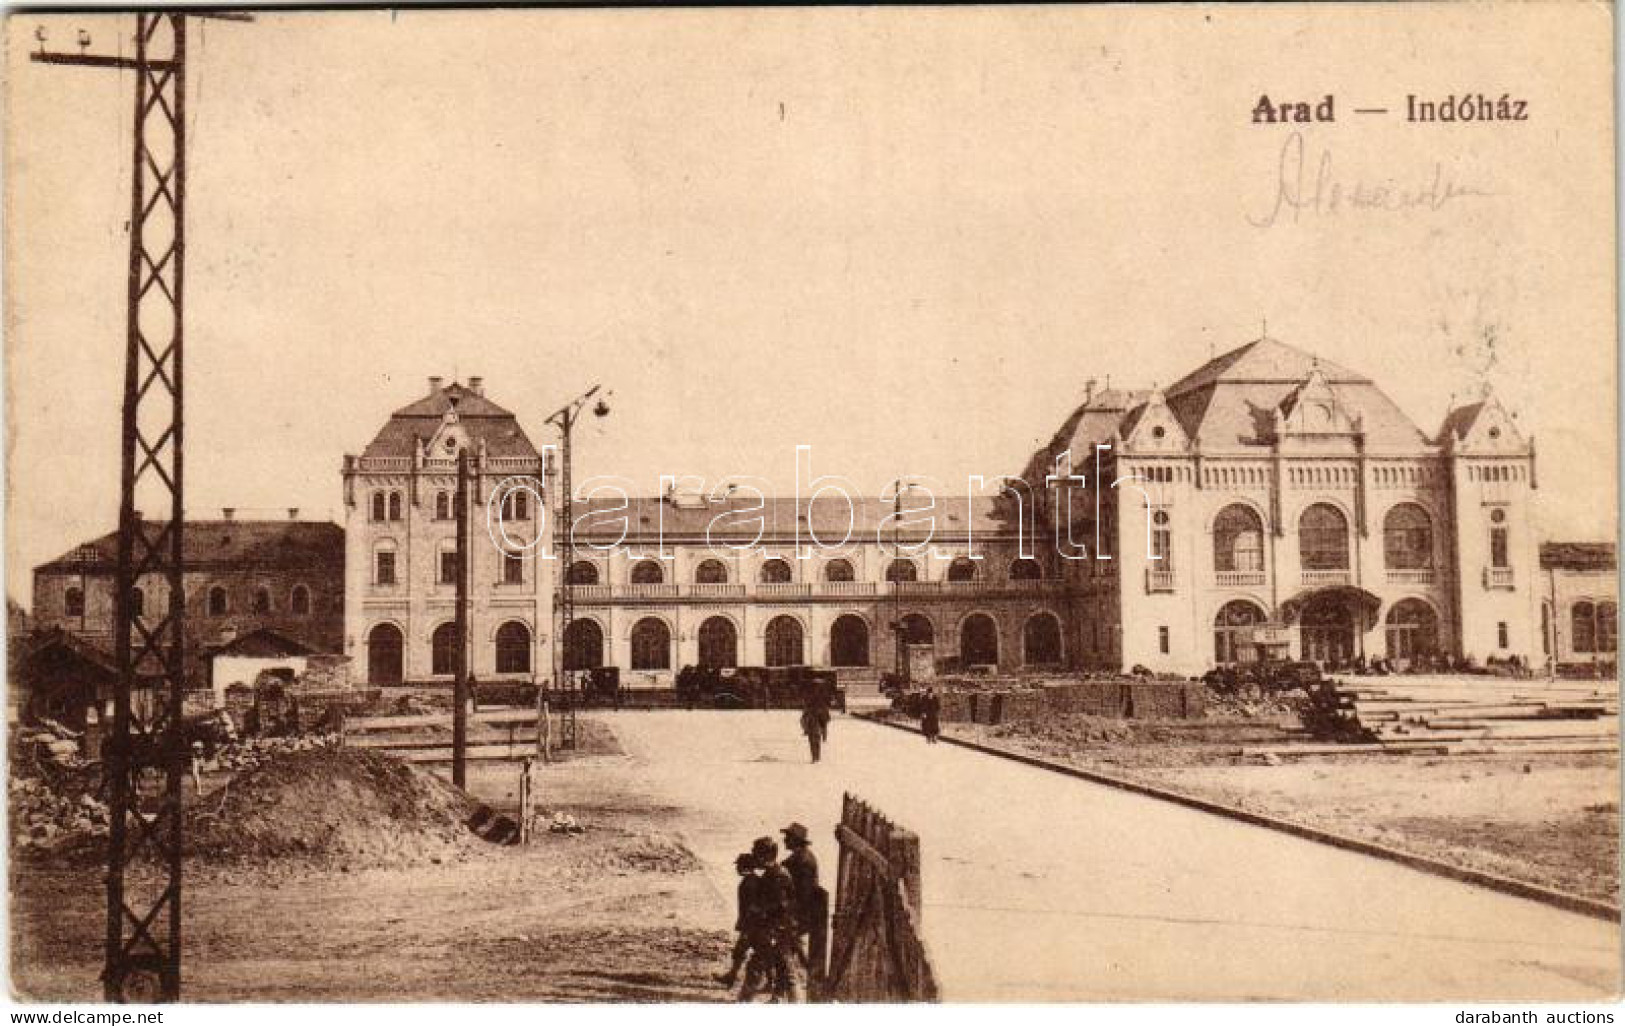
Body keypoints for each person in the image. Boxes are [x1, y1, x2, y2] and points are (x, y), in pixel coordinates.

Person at [751, 835, 802, 1002]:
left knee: (787, 968)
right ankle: (777, 999)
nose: (754, 857)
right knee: (781, 966)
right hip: (778, 927)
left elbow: (782, 905)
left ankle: (796, 1004)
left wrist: (760, 909)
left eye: (756, 854)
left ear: (765, 856)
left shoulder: (778, 875)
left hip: (781, 928)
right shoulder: (772, 873)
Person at [781, 822, 828, 991]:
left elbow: (804, 893)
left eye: (787, 837)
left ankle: (799, 982)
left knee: (785, 946)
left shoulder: (802, 860)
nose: (784, 840)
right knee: (792, 947)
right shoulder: (801, 857)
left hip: (801, 912)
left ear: (795, 840)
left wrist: (790, 912)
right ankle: (805, 976)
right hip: (800, 911)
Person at [716, 853, 770, 997]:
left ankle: (734, 978)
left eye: (739, 866)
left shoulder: (749, 883)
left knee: (755, 952)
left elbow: (750, 907)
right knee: (742, 951)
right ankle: (732, 976)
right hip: (753, 925)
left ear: (744, 867)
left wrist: (745, 926)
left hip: (752, 926)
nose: (737, 868)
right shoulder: (754, 880)